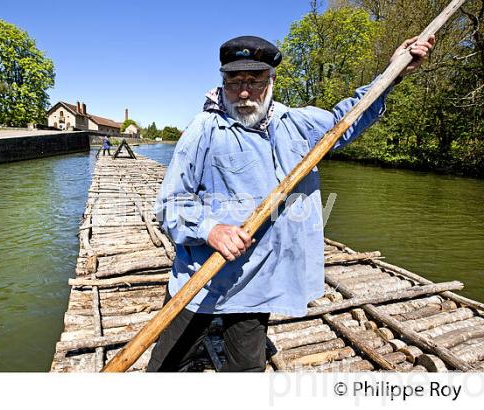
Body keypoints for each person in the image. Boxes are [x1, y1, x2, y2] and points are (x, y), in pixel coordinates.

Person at [148, 35, 434, 372]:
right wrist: (211, 230)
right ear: (222, 80)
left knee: (246, 372)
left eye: (254, 81)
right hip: (202, 279)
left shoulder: (299, 124)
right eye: (234, 81)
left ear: (271, 80)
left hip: (256, 284)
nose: (243, 92)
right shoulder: (204, 129)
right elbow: (170, 203)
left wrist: (394, 73)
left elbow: (350, 117)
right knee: (164, 370)